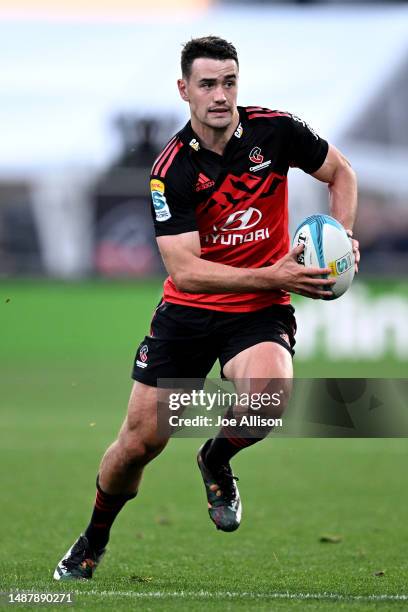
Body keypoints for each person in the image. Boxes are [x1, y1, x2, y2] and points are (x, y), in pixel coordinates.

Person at [54, 35, 359, 580]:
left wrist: (341, 238)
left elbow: (342, 174)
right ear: (184, 90)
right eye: (208, 84)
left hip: (259, 309)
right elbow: (186, 271)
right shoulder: (170, 169)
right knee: (139, 444)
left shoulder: (277, 131)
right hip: (189, 314)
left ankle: (216, 458)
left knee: (269, 400)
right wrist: (277, 272)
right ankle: (92, 538)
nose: (221, 94)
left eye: (230, 82)